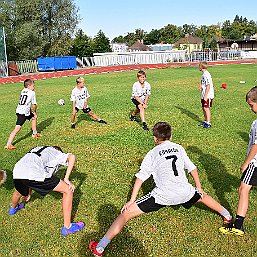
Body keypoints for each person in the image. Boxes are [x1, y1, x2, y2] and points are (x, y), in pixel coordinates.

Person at [89, 122, 232, 256]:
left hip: (163, 196)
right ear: (171, 136)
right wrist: (199, 188)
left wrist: (131, 200)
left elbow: (140, 177)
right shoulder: (179, 147)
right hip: (185, 191)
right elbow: (192, 168)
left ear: (155, 138)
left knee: (125, 214)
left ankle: (100, 247)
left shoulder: (152, 153)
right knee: (203, 197)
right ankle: (227, 216)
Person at [8, 145, 84, 236]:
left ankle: (13, 209)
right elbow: (72, 157)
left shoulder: (37, 149)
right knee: (68, 190)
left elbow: (31, 169)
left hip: (17, 171)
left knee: (18, 192)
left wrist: (28, 192)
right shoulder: (56, 153)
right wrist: (66, 179)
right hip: (32, 173)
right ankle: (68, 227)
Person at [219, 86, 257, 236]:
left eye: (251, 105)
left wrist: (246, 163)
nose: (250, 108)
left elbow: (256, 145)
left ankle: (238, 226)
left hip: (255, 163)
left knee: (243, 189)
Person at [4, 79, 42, 150]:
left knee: (33, 117)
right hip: (23, 113)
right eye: (33, 86)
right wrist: (34, 111)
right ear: (28, 86)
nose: (34, 87)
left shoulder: (23, 90)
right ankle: (8, 144)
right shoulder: (32, 93)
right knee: (17, 128)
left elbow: (26, 102)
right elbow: (34, 104)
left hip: (19, 109)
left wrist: (32, 113)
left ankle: (34, 133)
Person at [198, 61, 214, 129]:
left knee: (206, 108)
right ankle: (205, 121)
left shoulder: (206, 74)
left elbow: (208, 85)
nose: (198, 67)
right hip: (204, 94)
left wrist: (205, 95)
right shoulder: (203, 74)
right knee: (203, 108)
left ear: (202, 67)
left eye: (199, 66)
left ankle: (208, 123)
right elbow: (204, 83)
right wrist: (201, 86)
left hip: (207, 95)